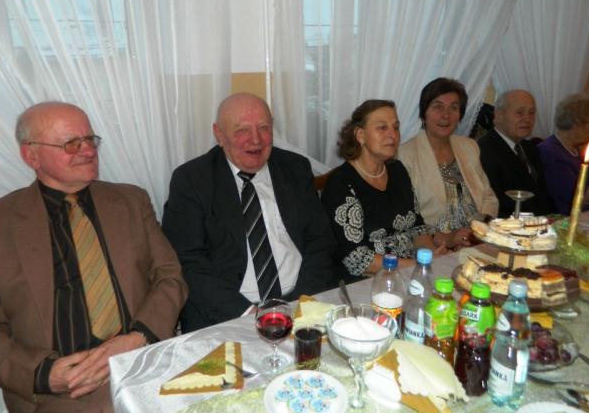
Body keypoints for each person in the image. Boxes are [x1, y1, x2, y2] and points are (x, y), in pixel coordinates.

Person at [0, 102, 188, 413]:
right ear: (31, 156)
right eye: (71, 143)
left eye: (89, 139)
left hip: (143, 355)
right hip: (69, 386)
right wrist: (45, 374)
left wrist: (138, 337)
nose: (88, 150)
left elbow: (170, 277)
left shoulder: (130, 201)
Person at [162, 93, 335, 332]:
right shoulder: (191, 180)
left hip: (300, 301)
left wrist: (302, 302)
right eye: (242, 130)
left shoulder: (295, 168)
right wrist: (248, 314)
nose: (256, 140)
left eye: (264, 128)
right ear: (219, 134)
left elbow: (320, 240)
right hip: (229, 313)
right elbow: (187, 262)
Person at [321, 100, 440, 283]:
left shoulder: (397, 170)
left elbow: (417, 227)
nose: (393, 134)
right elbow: (356, 258)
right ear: (360, 135)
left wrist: (430, 255)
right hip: (364, 282)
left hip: (409, 272)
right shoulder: (341, 184)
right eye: (382, 128)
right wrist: (414, 266)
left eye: (396, 127)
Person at [399, 77, 498, 244]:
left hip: (478, 238)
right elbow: (408, 219)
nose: (446, 115)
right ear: (424, 113)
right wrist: (451, 239)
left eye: (454, 108)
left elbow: (489, 197)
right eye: (438, 107)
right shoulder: (404, 155)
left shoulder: (469, 146)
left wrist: (480, 230)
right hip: (436, 245)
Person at [478, 90, 554, 216]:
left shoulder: (530, 148)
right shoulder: (483, 151)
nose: (527, 119)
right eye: (519, 112)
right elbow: (495, 204)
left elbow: (542, 193)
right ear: (499, 115)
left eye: (531, 113)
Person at [538, 93, 589, 214]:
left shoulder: (575, 149)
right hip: (566, 220)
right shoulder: (550, 152)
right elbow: (577, 194)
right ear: (578, 124)